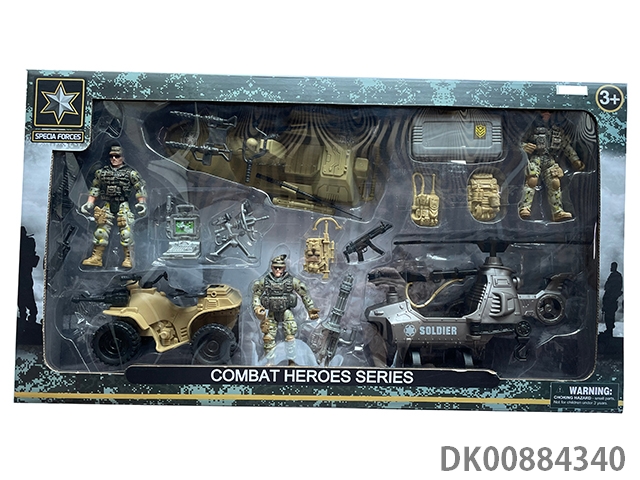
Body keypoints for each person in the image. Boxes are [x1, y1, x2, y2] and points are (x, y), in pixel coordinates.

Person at [81, 145, 147, 268]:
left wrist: (142, 203)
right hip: (107, 203)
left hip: (123, 204)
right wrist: (90, 203)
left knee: (126, 232)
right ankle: (96, 258)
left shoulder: (131, 173)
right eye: (112, 156)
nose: (114, 159)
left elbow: (140, 188)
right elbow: (95, 188)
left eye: (117, 156)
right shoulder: (102, 173)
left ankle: (129, 258)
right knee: (101, 231)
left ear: (123, 157)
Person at [252, 255, 319, 365]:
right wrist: (257, 307)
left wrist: (310, 310)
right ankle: (270, 362)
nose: (278, 270)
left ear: (284, 268)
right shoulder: (265, 281)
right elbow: (256, 295)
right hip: (272, 312)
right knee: (268, 337)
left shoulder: (291, 281)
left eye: (280, 267)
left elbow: (304, 294)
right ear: (272, 267)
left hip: (286, 312)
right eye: (275, 267)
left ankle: (292, 362)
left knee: (290, 337)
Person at [518, 111, 584, 221]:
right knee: (532, 180)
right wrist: (524, 147)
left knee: (555, 182)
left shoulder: (557, 131)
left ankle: (557, 212)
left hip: (550, 160)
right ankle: (524, 208)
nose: (546, 114)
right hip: (536, 158)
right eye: (543, 113)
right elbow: (519, 142)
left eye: (549, 113)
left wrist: (575, 161)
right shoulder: (532, 129)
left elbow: (567, 147)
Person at [602, 262, 623, 337]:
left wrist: (612, 296)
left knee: (609, 316)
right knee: (608, 316)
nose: (611, 268)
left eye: (612, 266)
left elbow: (614, 287)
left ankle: (609, 331)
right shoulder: (614, 275)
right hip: (609, 299)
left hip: (611, 299)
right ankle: (608, 330)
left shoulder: (616, 276)